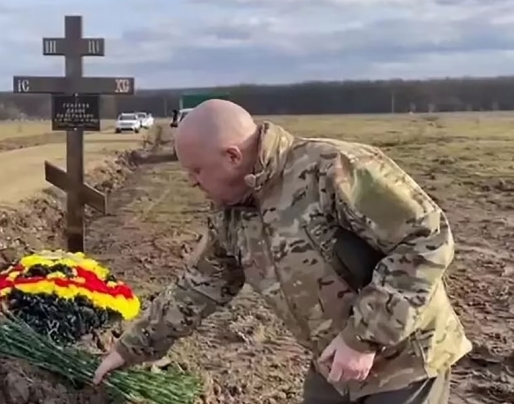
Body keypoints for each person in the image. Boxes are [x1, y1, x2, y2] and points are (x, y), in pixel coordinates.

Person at [93, 99, 472, 403]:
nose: (192, 183)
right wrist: (129, 349)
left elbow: (425, 238)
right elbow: (198, 287)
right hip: (333, 368)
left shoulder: (331, 169)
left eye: (197, 171)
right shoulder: (233, 213)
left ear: (231, 156)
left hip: (406, 361)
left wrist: (364, 337)